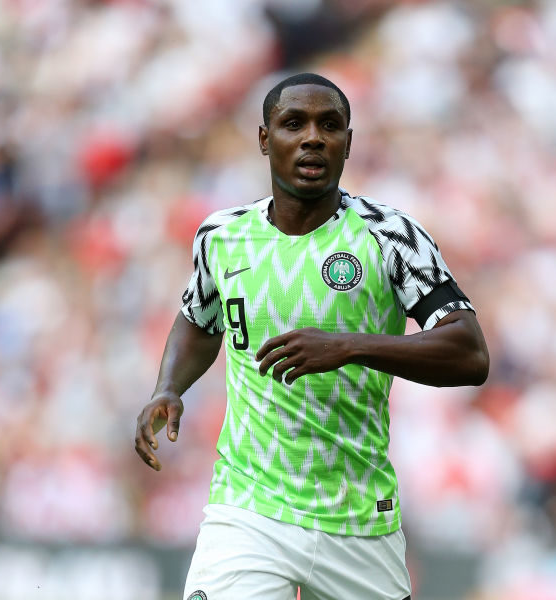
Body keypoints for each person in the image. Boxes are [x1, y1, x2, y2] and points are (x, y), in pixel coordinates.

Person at [135, 72, 489, 600]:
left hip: (357, 517)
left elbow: (470, 352)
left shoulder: (390, 235)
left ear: (349, 141)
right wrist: (169, 386)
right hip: (248, 509)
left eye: (329, 125)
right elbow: (198, 318)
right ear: (264, 139)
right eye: (294, 123)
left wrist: (349, 345)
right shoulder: (222, 236)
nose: (313, 138)